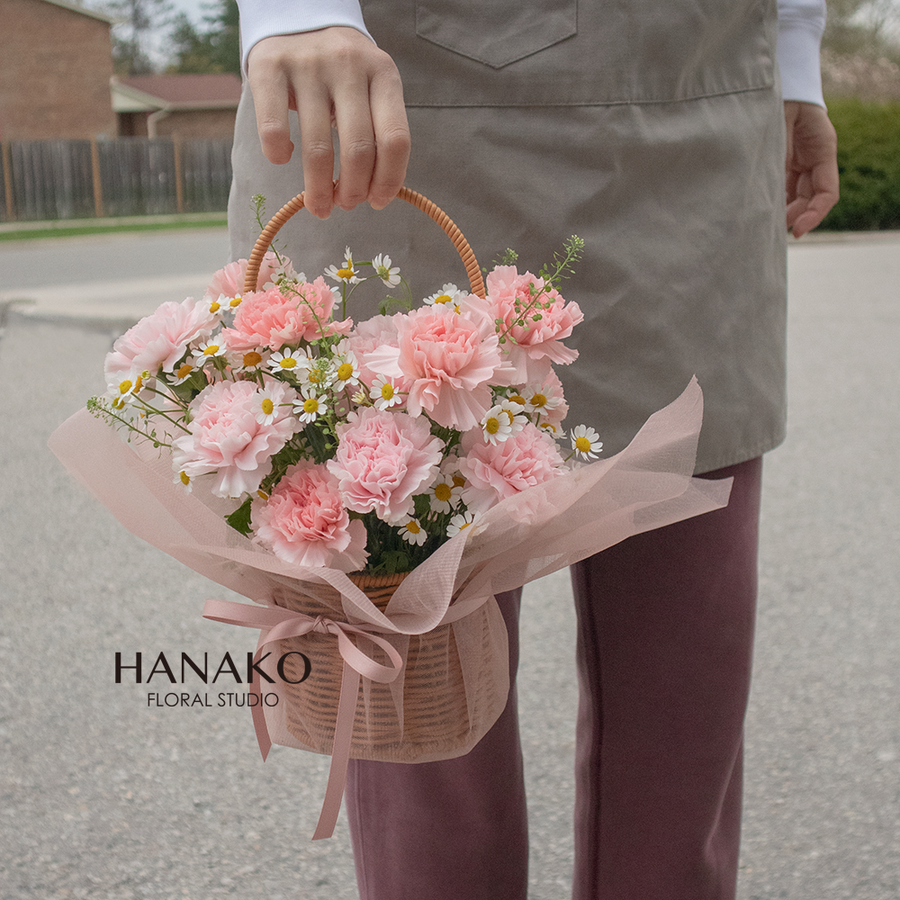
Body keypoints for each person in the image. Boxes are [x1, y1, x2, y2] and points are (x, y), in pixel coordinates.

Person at [227, 2, 840, 898]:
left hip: (697, 86)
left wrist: (791, 54)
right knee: (421, 702)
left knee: (686, 675)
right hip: (392, 89)